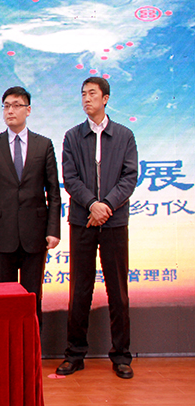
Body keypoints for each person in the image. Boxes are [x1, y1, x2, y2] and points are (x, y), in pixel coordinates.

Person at [57, 77, 138, 379]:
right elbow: (70, 177)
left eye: (92, 93)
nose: (86, 99)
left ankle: (121, 355)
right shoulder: (72, 136)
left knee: (118, 289)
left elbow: (129, 177)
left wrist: (106, 207)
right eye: (83, 94)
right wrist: (92, 204)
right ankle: (74, 354)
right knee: (80, 288)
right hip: (83, 221)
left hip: (114, 221)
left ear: (105, 99)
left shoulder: (124, 135)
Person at [0, 87, 60, 331]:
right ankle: (4, 346)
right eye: (6, 106)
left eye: (16, 105)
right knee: (3, 297)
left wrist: (53, 230)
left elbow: (53, 192)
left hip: (35, 233)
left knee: (32, 295)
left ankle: (33, 346)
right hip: (1, 234)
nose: (10, 111)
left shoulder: (43, 145)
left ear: (28, 110)